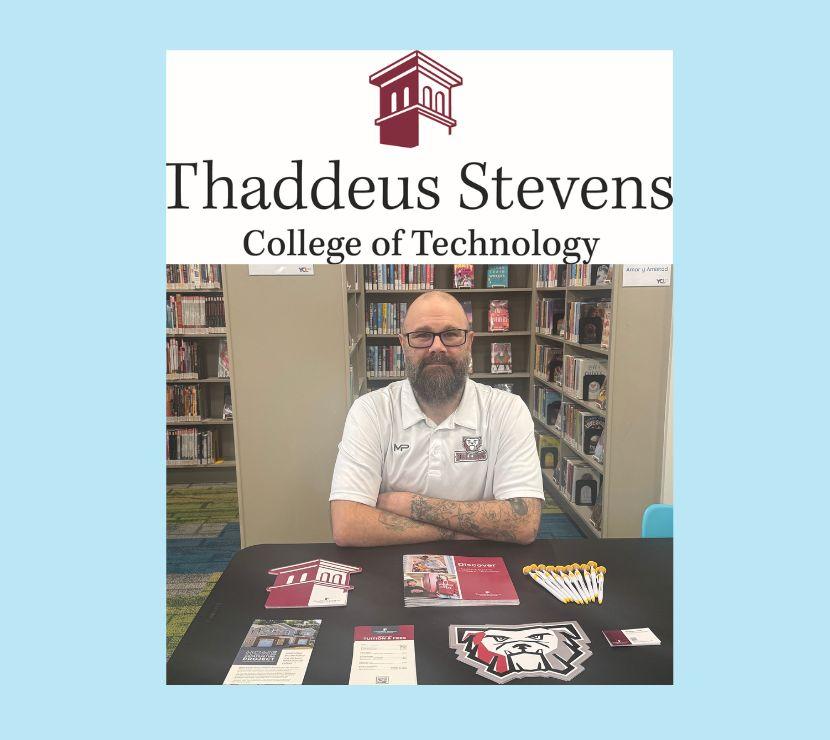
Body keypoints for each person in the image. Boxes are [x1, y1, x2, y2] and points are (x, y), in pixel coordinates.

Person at [329, 290, 543, 546]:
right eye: (422, 335)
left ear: (470, 341)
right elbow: (347, 525)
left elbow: (524, 522)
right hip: (388, 571)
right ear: (403, 344)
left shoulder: (508, 410)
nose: (437, 347)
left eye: (451, 334)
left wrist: (408, 504)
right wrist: (459, 532)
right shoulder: (370, 411)